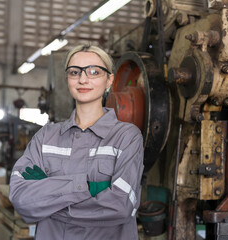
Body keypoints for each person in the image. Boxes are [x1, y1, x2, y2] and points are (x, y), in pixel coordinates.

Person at [9, 44, 144, 240]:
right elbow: (22, 199)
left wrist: (50, 199)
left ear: (109, 80)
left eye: (94, 72)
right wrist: (90, 187)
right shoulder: (46, 136)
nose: (83, 79)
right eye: (75, 72)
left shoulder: (127, 137)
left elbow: (120, 206)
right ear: (68, 79)